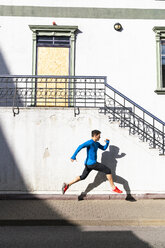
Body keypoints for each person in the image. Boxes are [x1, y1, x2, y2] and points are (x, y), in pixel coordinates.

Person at [62, 130, 123, 194]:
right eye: (99, 136)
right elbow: (80, 146)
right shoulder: (90, 142)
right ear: (95, 136)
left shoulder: (97, 143)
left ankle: (67, 185)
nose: (100, 137)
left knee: (83, 177)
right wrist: (73, 156)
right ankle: (113, 188)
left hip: (88, 165)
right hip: (92, 163)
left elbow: (103, 148)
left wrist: (107, 143)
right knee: (108, 170)